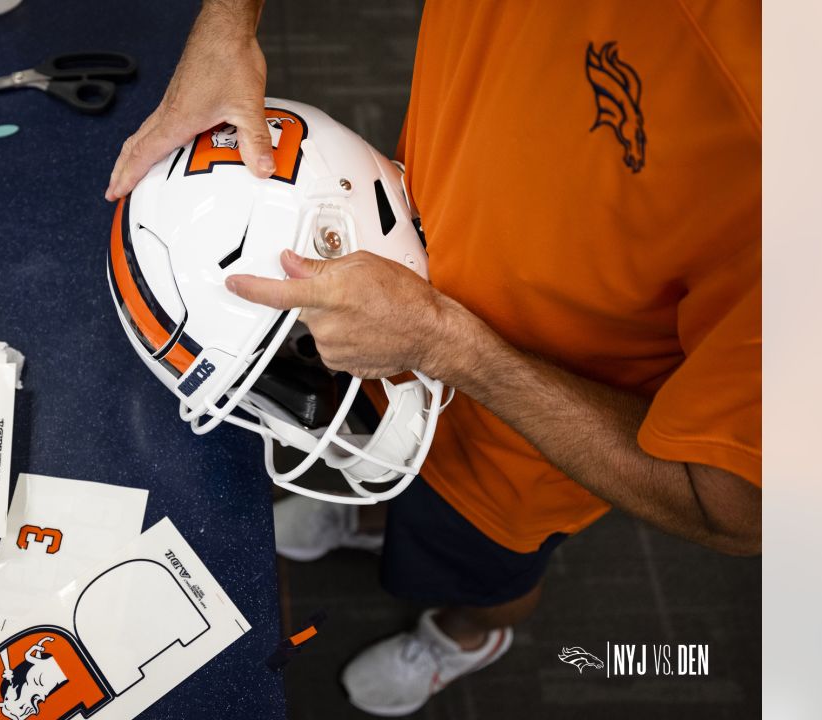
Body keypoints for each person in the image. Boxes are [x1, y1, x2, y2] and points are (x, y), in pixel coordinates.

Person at [106, 1, 761, 715]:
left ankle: (469, 636)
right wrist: (228, 20)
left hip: (519, 447)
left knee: (482, 575)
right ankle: (378, 514)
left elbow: (734, 510)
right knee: (378, 456)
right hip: (392, 285)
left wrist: (446, 344)